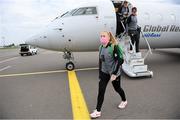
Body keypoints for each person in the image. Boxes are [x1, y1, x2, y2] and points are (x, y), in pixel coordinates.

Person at [90, 31, 127, 119]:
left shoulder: (114, 47)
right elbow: (100, 61)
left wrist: (114, 74)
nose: (102, 37)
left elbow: (120, 60)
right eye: (101, 36)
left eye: (104, 36)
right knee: (101, 91)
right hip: (104, 72)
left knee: (117, 89)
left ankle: (124, 100)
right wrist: (100, 73)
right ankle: (98, 111)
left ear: (109, 38)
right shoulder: (101, 47)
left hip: (114, 72)